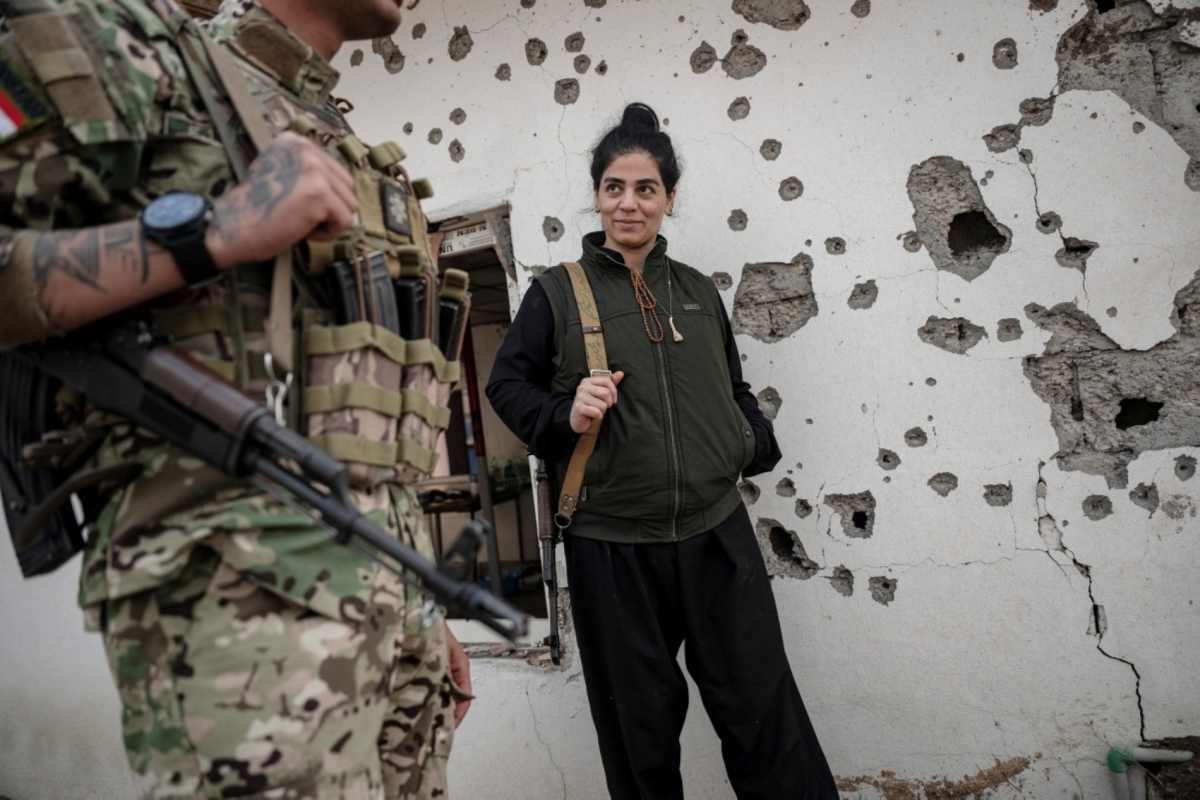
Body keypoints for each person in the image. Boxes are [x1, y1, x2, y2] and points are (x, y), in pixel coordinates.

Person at [0, 0, 471, 796]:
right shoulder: (124, 48)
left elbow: (360, 419)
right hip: (238, 602)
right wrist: (214, 229)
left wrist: (418, 597)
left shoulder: (329, 126)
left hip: (389, 605)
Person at [486, 103, 838, 799]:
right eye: (614, 186)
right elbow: (505, 385)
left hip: (715, 533)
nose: (629, 203)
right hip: (611, 545)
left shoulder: (700, 291)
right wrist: (564, 412)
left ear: (669, 199)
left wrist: (749, 440)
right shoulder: (556, 294)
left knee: (765, 718)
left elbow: (732, 385)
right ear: (597, 195)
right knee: (639, 740)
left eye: (646, 188)